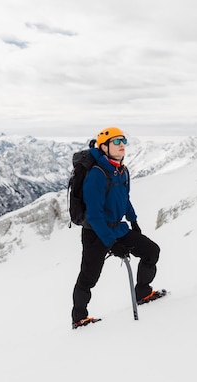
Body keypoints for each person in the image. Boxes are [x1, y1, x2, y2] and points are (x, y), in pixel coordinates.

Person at [72, 126, 161, 329]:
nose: (122, 146)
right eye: (117, 142)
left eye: (124, 141)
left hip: (118, 228)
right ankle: (79, 319)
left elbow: (124, 198)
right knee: (88, 278)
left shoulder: (122, 170)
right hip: (96, 233)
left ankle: (143, 293)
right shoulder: (96, 174)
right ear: (104, 146)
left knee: (151, 251)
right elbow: (94, 216)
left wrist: (133, 220)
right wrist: (111, 242)